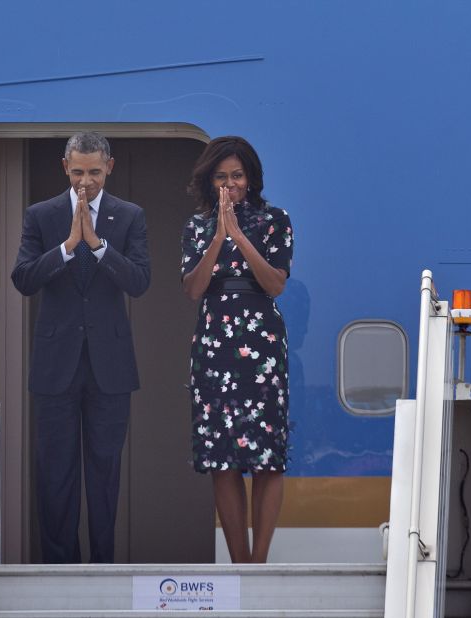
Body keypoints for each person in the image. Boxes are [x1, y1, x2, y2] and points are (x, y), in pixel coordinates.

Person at [11, 132, 151, 563]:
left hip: (110, 367)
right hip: (56, 366)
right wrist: (69, 247)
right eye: (77, 172)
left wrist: (98, 245)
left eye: (93, 172)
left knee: (105, 473)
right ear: (64, 167)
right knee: (55, 473)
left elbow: (139, 282)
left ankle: (103, 566)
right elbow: (24, 279)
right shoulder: (42, 215)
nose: (84, 182)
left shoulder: (129, 216)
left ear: (110, 166)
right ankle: (58, 568)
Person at [180, 136, 294, 563]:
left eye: (238, 175)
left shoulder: (275, 220)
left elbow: (275, 283)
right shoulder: (196, 225)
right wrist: (217, 237)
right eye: (222, 177)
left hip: (261, 342)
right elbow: (192, 289)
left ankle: (260, 561)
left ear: (252, 177)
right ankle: (239, 563)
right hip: (215, 343)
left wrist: (240, 236)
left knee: (268, 457)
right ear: (210, 181)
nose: (231, 184)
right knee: (222, 457)